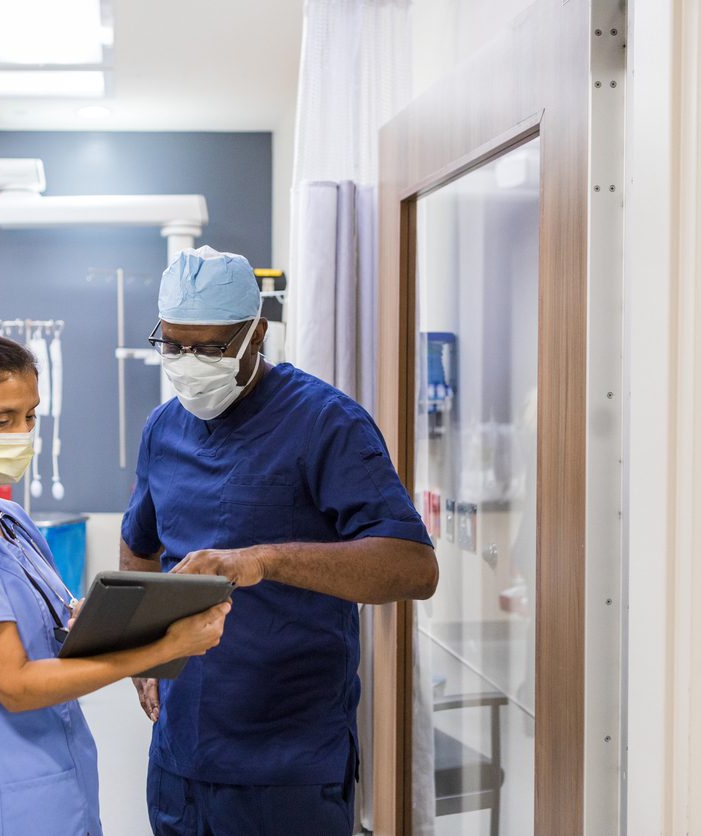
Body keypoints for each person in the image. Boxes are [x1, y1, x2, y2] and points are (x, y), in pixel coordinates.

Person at [122, 246, 440, 836]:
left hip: (288, 765)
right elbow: (139, 544)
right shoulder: (163, 428)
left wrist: (262, 560)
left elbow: (414, 567)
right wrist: (146, 656)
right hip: (180, 758)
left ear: (257, 333)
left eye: (211, 348)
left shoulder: (325, 423)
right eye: (173, 344)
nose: (189, 362)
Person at [0, 331, 231, 836]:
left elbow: (45, 629)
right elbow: (17, 684)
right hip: (1, 802)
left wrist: (92, 623)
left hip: (61, 788)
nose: (21, 434)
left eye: (29, 417)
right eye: (2, 421)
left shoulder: (8, 517)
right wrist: (161, 650)